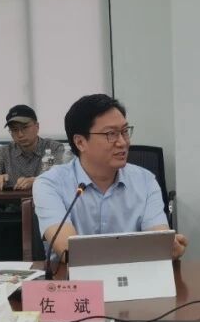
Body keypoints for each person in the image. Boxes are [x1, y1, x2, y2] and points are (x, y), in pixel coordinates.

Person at [33, 94, 188, 261]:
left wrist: (169, 248)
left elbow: (158, 242)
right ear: (80, 142)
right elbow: (69, 251)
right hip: (72, 277)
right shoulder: (50, 184)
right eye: (111, 134)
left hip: (133, 274)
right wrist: (145, 249)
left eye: (125, 131)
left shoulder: (145, 181)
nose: (122, 142)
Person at [0, 104, 65, 190]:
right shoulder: (4, 152)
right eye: (14, 130)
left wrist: (35, 181)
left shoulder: (54, 147)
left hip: (46, 199)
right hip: (13, 200)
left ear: (37, 126)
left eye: (25, 127)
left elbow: (61, 176)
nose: (20, 134)